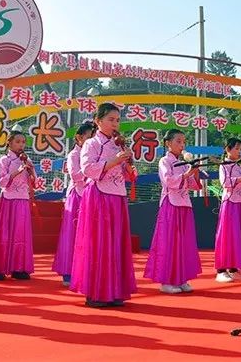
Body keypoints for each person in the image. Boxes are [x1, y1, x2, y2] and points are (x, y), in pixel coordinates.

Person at [70, 103, 138, 307]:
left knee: (116, 244)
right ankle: (96, 292)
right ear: (98, 121)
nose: (115, 123)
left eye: (118, 119)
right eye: (111, 119)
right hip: (99, 197)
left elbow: (127, 175)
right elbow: (87, 170)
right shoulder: (91, 143)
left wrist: (128, 166)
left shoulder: (119, 145)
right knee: (98, 243)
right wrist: (114, 161)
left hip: (117, 196)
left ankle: (115, 290)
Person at [144, 129, 202, 293]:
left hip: (184, 204)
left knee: (184, 242)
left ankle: (182, 278)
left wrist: (194, 172)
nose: (182, 145)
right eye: (178, 141)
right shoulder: (165, 161)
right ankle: (167, 281)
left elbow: (193, 185)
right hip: (171, 204)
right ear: (168, 143)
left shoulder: (184, 163)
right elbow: (168, 181)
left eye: (183, 141)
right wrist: (186, 174)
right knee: (169, 242)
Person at [0, 130, 36, 281]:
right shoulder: (4, 160)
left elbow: (34, 181)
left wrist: (30, 170)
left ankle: (18, 267)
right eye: (17, 142)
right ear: (9, 142)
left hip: (22, 199)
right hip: (8, 200)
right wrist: (16, 172)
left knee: (20, 234)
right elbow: (1, 181)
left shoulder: (27, 160)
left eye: (23, 142)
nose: (21, 145)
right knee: (5, 233)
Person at [52, 121, 96, 285]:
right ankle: (68, 272)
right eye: (89, 136)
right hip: (76, 196)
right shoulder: (74, 155)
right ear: (78, 138)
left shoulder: (95, 153)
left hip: (90, 195)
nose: (92, 140)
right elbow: (76, 176)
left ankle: (84, 271)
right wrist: (95, 171)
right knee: (72, 234)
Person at [214, 138, 241, 282]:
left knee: (239, 236)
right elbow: (225, 182)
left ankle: (233, 267)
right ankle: (221, 269)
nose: (239, 152)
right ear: (228, 149)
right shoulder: (224, 165)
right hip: (230, 203)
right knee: (227, 235)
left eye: (240, 149)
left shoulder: (240, 167)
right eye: (236, 149)